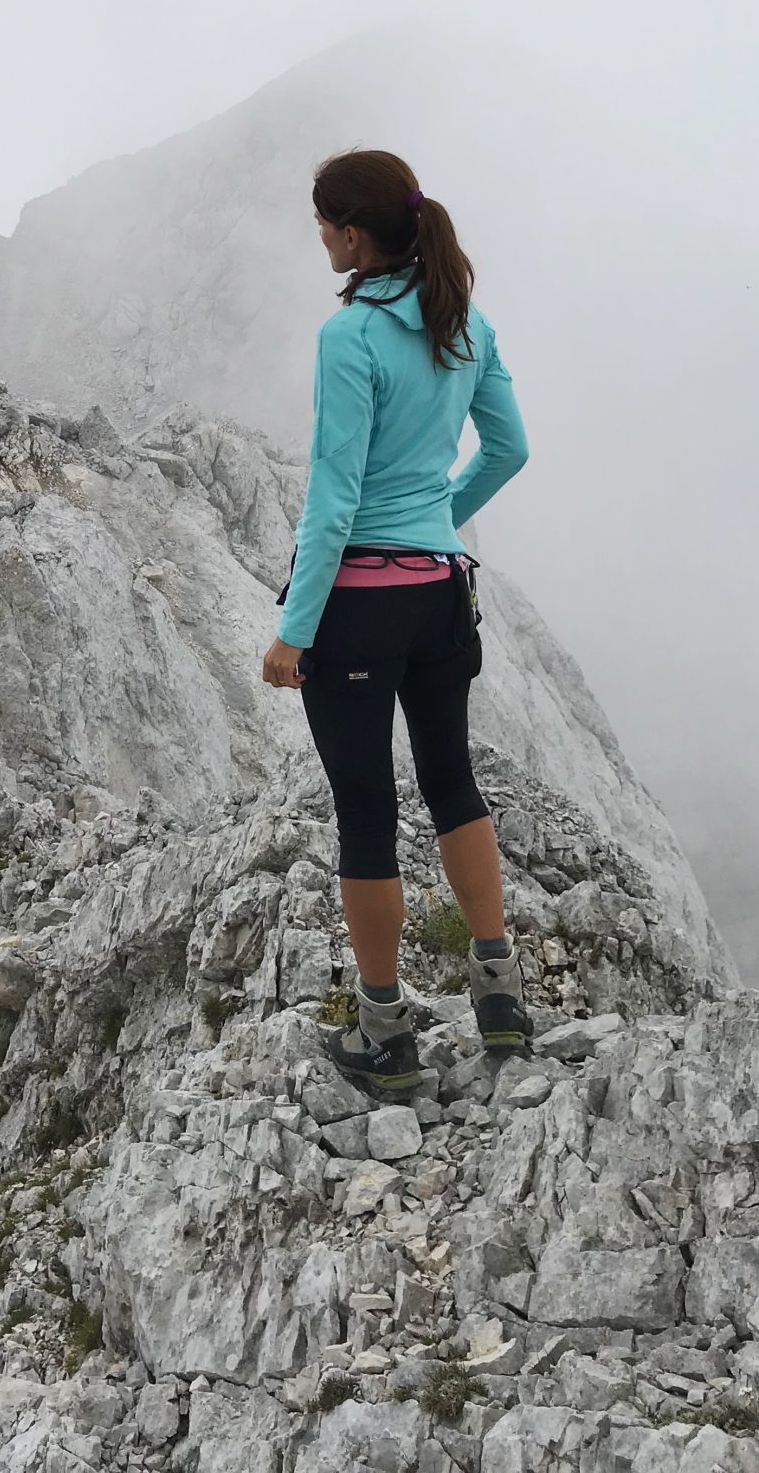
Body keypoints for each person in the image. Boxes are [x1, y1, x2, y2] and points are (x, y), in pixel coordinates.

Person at [260, 147, 532, 1094]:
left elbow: (333, 499)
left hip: (358, 609)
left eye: (322, 228)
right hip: (441, 596)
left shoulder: (350, 339)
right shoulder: (465, 321)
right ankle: (498, 988)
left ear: (349, 232)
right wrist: (435, 525)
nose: (320, 242)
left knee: (367, 815)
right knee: (453, 782)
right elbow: (510, 450)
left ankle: (382, 1030)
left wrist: (294, 630)